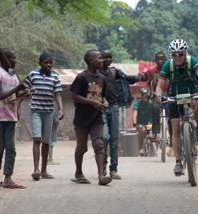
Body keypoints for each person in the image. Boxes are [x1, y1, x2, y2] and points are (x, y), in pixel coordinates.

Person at [156, 39, 198, 175]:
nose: (177, 57)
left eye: (180, 54)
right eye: (174, 55)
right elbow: (159, 85)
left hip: (191, 93)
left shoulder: (192, 61)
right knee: (175, 127)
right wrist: (159, 96)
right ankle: (178, 162)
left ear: (185, 53)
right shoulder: (168, 65)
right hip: (174, 96)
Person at [70, 49, 111, 185]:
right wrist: (91, 102)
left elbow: (102, 96)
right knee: (82, 147)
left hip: (97, 117)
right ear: (90, 61)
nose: (102, 60)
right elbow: (74, 96)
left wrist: (104, 102)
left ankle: (101, 176)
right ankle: (78, 173)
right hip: (82, 118)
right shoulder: (81, 77)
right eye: (99, 58)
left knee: (99, 144)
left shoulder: (102, 79)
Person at [99, 49, 140, 179]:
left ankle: (113, 170)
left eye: (110, 57)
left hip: (114, 107)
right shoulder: (96, 73)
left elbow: (128, 79)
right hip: (100, 109)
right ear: (100, 58)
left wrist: (140, 77)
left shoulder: (114, 71)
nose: (107, 59)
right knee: (104, 138)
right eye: (105, 57)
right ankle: (102, 167)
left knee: (114, 140)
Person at [24, 53, 63, 181]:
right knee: (37, 139)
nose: (49, 65)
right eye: (46, 62)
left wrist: (61, 109)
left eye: (50, 63)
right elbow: (24, 88)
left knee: (46, 142)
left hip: (49, 112)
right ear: (40, 63)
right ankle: (36, 170)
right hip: (36, 111)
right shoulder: (33, 75)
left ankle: (44, 171)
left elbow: (57, 94)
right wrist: (27, 92)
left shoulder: (55, 77)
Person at [0, 48, 28, 189]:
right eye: (11, 57)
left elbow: (14, 95)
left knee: (10, 148)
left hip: (10, 117)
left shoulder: (13, 76)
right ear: (3, 58)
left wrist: (23, 92)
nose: (14, 60)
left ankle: (8, 178)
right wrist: (16, 90)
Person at [142, 52, 173, 154]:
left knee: (172, 116)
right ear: (155, 60)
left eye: (163, 59)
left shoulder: (170, 69)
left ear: (166, 60)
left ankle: (173, 138)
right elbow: (147, 83)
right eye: (158, 59)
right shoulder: (151, 70)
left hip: (169, 95)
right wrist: (149, 93)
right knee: (154, 108)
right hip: (157, 95)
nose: (161, 61)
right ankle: (155, 133)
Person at [133, 87, 154, 155]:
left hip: (150, 123)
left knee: (149, 128)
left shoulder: (151, 103)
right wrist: (134, 122)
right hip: (140, 123)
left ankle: (151, 135)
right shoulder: (137, 103)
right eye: (144, 95)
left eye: (146, 95)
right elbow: (135, 113)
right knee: (142, 130)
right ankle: (141, 148)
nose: (145, 96)